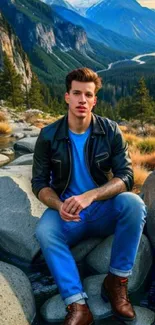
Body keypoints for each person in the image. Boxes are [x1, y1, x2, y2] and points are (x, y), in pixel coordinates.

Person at [31, 67, 147, 325]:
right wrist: (59, 205)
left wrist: (92, 195)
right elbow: (39, 183)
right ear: (67, 97)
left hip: (101, 208)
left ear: (95, 100)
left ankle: (116, 281)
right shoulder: (48, 136)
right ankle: (77, 305)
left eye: (88, 94)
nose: (82, 100)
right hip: (67, 215)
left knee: (134, 204)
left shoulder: (110, 130)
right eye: (76, 93)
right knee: (45, 231)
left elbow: (126, 176)